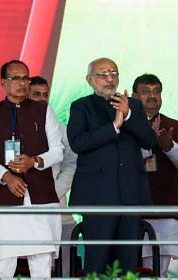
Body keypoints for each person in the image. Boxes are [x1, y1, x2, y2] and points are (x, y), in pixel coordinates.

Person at [67, 58, 157, 274]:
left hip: (130, 195)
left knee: (128, 264)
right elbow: (78, 143)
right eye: (103, 74)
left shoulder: (133, 105)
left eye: (113, 73)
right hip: (97, 196)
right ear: (90, 80)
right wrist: (114, 126)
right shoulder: (81, 106)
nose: (109, 79)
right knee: (97, 262)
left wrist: (128, 115)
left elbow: (149, 142)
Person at [0, 60, 64, 278]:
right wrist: (6, 176)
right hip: (6, 198)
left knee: (42, 263)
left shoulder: (44, 111)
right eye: (15, 78)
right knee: (4, 263)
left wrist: (34, 161)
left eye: (25, 78)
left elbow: (58, 151)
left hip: (41, 197)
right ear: (3, 83)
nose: (22, 83)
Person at [132, 73, 178, 277]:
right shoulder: (122, 125)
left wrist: (169, 146)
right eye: (146, 91)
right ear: (134, 96)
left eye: (156, 91)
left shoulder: (174, 126)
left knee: (157, 273)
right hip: (128, 211)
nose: (153, 96)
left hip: (163, 212)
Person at [28, 75, 78, 274]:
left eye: (45, 95)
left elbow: (72, 164)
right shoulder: (14, 127)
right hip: (25, 211)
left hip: (59, 211)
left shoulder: (62, 130)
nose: (42, 99)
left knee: (64, 270)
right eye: (36, 94)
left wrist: (52, 192)